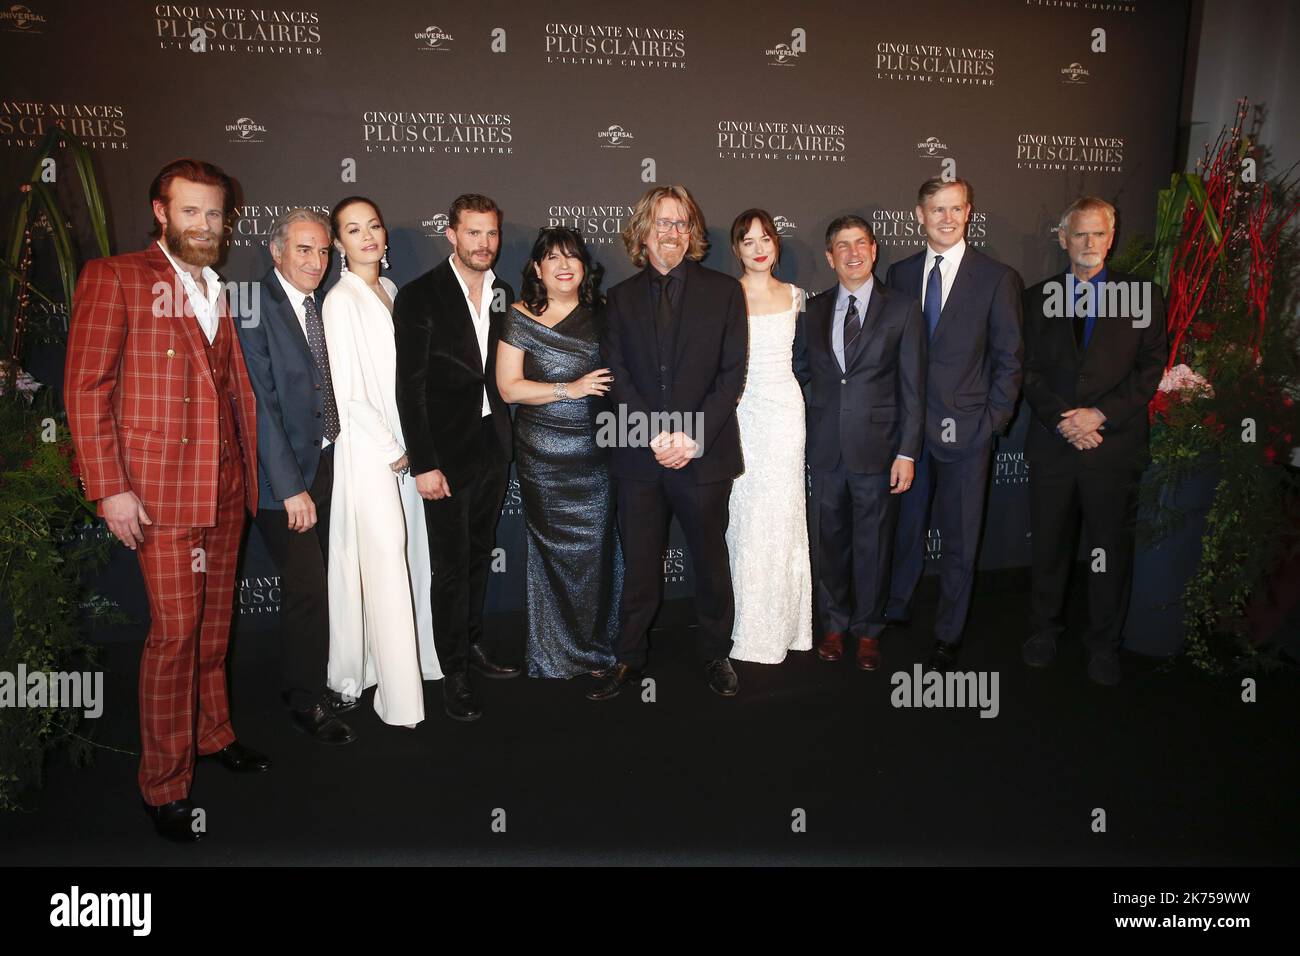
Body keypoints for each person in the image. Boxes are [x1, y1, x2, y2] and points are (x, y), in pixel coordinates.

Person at [65, 158, 269, 843]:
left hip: (226, 487)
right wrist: (111, 488)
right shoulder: (116, 277)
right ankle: (164, 783)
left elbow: (232, 389)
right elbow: (86, 389)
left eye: (215, 214)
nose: (206, 226)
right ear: (160, 212)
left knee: (214, 632)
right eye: (191, 212)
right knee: (174, 638)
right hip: (158, 495)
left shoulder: (219, 287)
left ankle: (213, 733)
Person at [588, 184, 748, 700]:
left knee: (709, 560)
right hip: (640, 454)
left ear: (692, 233)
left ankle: (716, 652)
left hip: (704, 455)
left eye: (681, 224)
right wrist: (658, 435)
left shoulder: (725, 292)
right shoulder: (619, 298)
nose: (672, 233)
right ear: (642, 232)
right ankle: (629, 657)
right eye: (662, 223)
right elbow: (618, 376)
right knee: (639, 562)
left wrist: (692, 437)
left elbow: (731, 376)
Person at [1021, 197, 1166, 686]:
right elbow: (1026, 370)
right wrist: (1063, 420)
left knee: (1109, 550)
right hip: (1054, 444)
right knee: (1049, 547)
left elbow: (1150, 369)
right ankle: (1043, 631)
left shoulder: (1143, 296)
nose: (1089, 244)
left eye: (1098, 234)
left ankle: (1104, 643)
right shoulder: (1035, 298)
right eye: (1079, 234)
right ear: (1063, 239)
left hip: (1114, 445)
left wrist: (1100, 415)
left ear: (1112, 237)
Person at [884, 178, 1023, 672]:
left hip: (968, 433)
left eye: (956, 209)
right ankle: (897, 607)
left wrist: (991, 423)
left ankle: (948, 632)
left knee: (961, 540)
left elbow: (1010, 360)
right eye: (937, 209)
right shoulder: (898, 275)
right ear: (919, 214)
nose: (947, 218)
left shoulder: (996, 277)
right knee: (904, 530)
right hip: (908, 435)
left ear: (968, 213)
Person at [394, 193, 521, 724]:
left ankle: (472, 647)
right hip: (443, 455)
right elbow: (411, 387)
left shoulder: (503, 292)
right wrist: (424, 463)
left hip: (492, 445)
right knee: (449, 569)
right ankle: (453, 673)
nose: (484, 244)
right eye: (473, 233)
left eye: (491, 233)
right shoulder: (420, 296)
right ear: (450, 234)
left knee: (476, 556)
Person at [237, 207, 355, 745]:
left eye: (323, 250)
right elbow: (258, 406)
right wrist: (290, 490)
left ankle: (319, 679)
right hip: (281, 481)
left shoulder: (325, 304)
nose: (316, 260)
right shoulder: (254, 305)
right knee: (307, 586)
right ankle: (305, 700)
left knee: (329, 582)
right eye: (304, 249)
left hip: (330, 464)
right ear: (277, 250)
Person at [322, 196, 439, 728]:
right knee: (386, 564)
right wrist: (393, 449)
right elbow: (349, 394)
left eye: (373, 225)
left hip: (404, 446)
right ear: (338, 243)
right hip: (372, 454)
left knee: (411, 557)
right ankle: (398, 700)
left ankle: (406, 665)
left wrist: (410, 444)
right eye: (353, 228)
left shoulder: (391, 291)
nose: (367, 235)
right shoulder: (339, 301)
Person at [794, 216, 926, 671]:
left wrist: (907, 451)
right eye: (842, 246)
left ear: (873, 249)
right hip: (826, 450)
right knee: (827, 542)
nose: (852, 253)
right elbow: (797, 376)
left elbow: (913, 387)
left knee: (873, 543)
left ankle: (869, 630)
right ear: (830, 257)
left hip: (880, 451)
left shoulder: (903, 309)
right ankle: (833, 625)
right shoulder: (811, 311)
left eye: (860, 244)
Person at [495, 227, 621, 679]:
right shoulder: (519, 315)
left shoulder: (604, 315)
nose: (564, 265)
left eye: (572, 257)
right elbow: (509, 388)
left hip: (596, 452)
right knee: (550, 553)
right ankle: (554, 654)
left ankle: (597, 649)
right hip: (543, 456)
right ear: (537, 268)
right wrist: (570, 389)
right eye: (553, 258)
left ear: (584, 267)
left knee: (596, 553)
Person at [726, 209, 813, 663]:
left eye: (766, 238)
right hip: (741, 412)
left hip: (784, 411)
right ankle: (745, 624)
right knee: (746, 515)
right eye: (748, 241)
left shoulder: (796, 295)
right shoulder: (726, 295)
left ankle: (788, 624)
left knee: (783, 513)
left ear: (776, 243)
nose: (759, 248)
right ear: (736, 249)